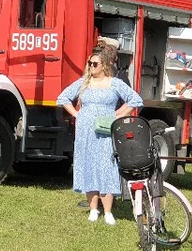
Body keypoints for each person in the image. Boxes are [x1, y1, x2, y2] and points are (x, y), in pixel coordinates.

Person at [57, 48, 144, 225]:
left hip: (105, 131)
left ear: (103, 65)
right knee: (88, 165)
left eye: (94, 64)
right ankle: (93, 209)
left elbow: (135, 99)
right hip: (85, 131)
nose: (91, 67)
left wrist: (118, 115)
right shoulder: (84, 83)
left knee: (107, 165)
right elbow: (63, 98)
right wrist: (76, 114)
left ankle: (109, 211)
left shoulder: (115, 83)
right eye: (89, 63)